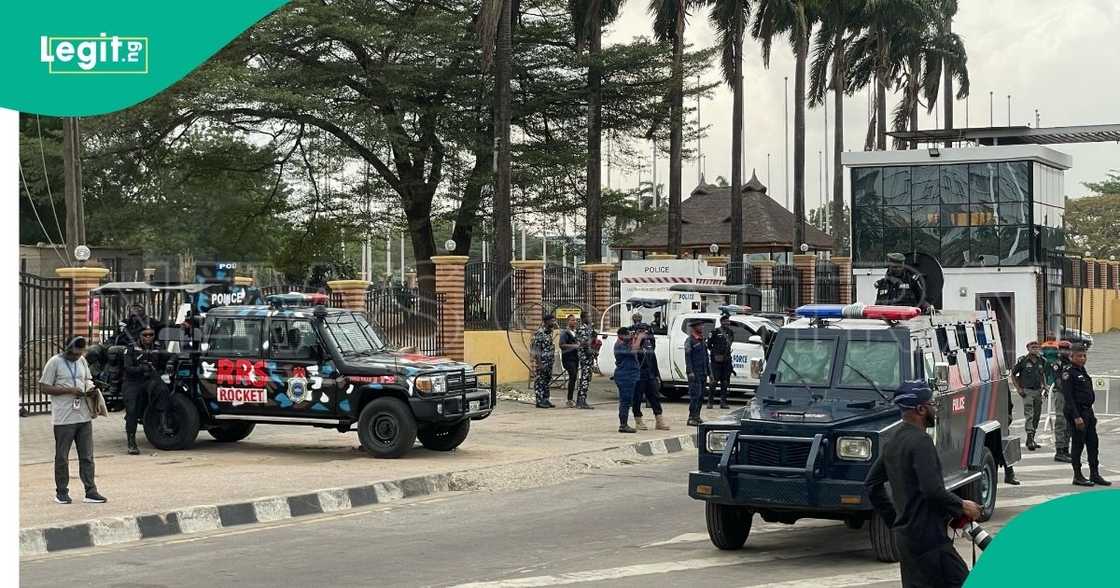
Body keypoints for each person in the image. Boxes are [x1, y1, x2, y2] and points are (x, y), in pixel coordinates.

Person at [865, 381, 981, 588]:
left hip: (907, 539)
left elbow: (872, 485)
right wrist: (963, 506)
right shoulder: (921, 442)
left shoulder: (894, 441)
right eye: (932, 404)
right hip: (930, 540)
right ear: (920, 409)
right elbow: (932, 491)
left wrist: (897, 521)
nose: (935, 409)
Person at [39, 337, 109, 505]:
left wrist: (91, 388)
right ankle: (61, 492)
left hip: (83, 415)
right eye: (74, 354)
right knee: (62, 456)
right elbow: (43, 387)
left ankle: (90, 491)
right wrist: (69, 390)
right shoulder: (54, 362)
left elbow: (87, 379)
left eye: (80, 354)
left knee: (87, 456)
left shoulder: (82, 361)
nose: (76, 357)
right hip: (64, 418)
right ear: (67, 349)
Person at [1062, 344, 1111, 487]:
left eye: (1084, 356)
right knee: (1078, 445)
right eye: (1079, 356)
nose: (1082, 358)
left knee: (1093, 444)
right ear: (1071, 357)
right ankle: (1077, 476)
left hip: (1088, 411)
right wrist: (1077, 417)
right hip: (1076, 412)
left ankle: (1094, 474)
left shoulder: (1081, 370)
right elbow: (1069, 397)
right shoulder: (1068, 372)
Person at [122, 326, 162, 455]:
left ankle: (162, 424)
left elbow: (165, 360)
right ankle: (131, 442)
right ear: (140, 336)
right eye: (145, 335)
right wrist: (141, 368)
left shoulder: (157, 348)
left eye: (151, 334)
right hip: (133, 382)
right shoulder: (131, 349)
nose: (148, 337)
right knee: (132, 410)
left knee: (163, 392)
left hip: (148, 380)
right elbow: (128, 368)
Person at [631, 315, 669, 431]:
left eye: (644, 330)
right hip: (638, 374)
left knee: (654, 396)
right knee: (637, 397)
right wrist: (638, 338)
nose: (643, 333)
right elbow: (633, 351)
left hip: (650, 373)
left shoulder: (648, 342)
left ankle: (659, 420)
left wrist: (657, 374)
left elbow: (653, 358)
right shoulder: (632, 341)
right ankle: (638, 420)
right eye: (640, 330)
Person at [1012, 341, 1047, 451]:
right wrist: (1018, 389)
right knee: (1029, 415)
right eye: (1033, 347)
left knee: (1037, 415)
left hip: (1038, 391)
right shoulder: (1022, 360)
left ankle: (1031, 438)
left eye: (1037, 347)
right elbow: (1013, 374)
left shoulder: (1042, 360)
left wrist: (1045, 387)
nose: (1035, 349)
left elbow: (1043, 374)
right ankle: (1030, 437)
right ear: (1028, 348)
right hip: (1027, 391)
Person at [1049, 341, 1073, 463]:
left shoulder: (1071, 362)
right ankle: (1059, 451)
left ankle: (1065, 449)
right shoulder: (1057, 363)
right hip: (1061, 394)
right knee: (1061, 421)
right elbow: (1059, 381)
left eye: (1066, 349)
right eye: (1062, 349)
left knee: (1069, 422)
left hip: (1070, 396)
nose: (1064, 351)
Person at [613, 327, 641, 433]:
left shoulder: (625, 344)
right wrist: (638, 338)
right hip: (625, 376)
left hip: (629, 375)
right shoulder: (620, 345)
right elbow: (634, 350)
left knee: (627, 401)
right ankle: (623, 425)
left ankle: (624, 424)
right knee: (625, 401)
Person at [706, 314, 735, 410]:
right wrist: (716, 354)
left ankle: (723, 402)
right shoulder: (715, 331)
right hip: (716, 361)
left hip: (726, 360)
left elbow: (730, 343)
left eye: (728, 321)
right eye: (725, 321)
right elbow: (709, 345)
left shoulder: (731, 332)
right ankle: (710, 402)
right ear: (721, 322)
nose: (727, 323)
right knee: (714, 381)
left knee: (725, 381)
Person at [684, 320, 709, 427]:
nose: (702, 327)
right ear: (694, 327)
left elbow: (706, 357)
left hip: (702, 372)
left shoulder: (702, 339)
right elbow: (687, 357)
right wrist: (690, 371)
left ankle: (697, 416)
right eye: (699, 325)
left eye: (702, 325)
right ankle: (691, 417)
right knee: (695, 395)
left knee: (701, 396)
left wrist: (709, 372)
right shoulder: (690, 340)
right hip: (694, 373)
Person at [530, 314, 557, 408]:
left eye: (554, 321)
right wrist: (539, 363)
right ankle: (539, 400)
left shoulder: (548, 333)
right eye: (552, 321)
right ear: (546, 322)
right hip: (542, 362)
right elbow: (536, 349)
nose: (554, 323)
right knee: (540, 381)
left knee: (547, 381)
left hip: (549, 362)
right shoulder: (540, 333)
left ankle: (546, 399)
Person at [573, 313, 596, 409]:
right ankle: (581, 401)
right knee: (584, 378)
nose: (590, 318)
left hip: (589, 356)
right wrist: (592, 338)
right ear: (583, 318)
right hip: (585, 356)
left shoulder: (588, 328)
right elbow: (584, 343)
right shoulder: (582, 328)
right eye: (589, 317)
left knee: (587, 378)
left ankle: (582, 400)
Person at [559, 315, 582, 408]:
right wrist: (574, 346)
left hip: (575, 358)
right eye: (572, 320)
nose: (574, 322)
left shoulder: (575, 333)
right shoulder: (565, 333)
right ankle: (569, 399)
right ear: (568, 321)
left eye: (575, 320)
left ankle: (572, 398)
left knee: (574, 377)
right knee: (572, 375)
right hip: (568, 359)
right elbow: (561, 345)